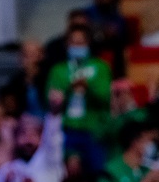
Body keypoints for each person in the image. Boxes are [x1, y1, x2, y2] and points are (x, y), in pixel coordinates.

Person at [46, 25, 112, 174]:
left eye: (81, 42)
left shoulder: (100, 67)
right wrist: (69, 89)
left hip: (94, 129)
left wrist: (88, 87)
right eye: (73, 43)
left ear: (88, 44)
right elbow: (50, 101)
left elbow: (105, 98)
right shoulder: (58, 70)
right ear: (67, 45)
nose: (77, 46)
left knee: (96, 174)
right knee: (68, 174)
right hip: (67, 129)